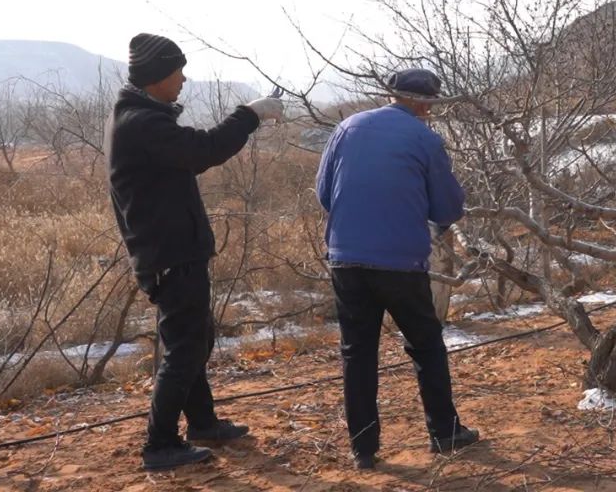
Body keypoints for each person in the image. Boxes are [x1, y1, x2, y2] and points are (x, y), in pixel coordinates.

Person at [105, 33, 284, 471]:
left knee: (194, 340)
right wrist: (249, 115)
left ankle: (202, 424)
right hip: (169, 254)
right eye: (177, 71)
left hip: (172, 251)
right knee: (185, 348)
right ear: (156, 76)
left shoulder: (140, 116)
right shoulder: (141, 123)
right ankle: (160, 444)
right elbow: (202, 151)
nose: (183, 79)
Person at [316, 68, 478, 470]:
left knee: (357, 352)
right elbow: (448, 208)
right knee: (426, 344)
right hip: (400, 262)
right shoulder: (425, 139)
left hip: (345, 258)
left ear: (391, 94)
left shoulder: (347, 127)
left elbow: (324, 194)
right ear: (425, 103)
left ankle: (363, 449)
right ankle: (445, 432)